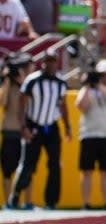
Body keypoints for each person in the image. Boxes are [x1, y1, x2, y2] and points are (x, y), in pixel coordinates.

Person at [6, 52, 70, 210]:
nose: (51, 65)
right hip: (34, 125)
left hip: (51, 127)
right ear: (43, 63)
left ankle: (51, 201)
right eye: (48, 61)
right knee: (28, 164)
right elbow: (22, 105)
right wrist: (23, 127)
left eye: (53, 61)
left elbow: (63, 106)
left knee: (55, 164)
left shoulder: (61, 82)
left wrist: (67, 126)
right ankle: (15, 197)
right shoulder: (32, 80)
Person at [75, 59, 106, 210]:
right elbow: (81, 106)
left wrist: (99, 86)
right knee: (87, 170)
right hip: (89, 133)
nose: (104, 77)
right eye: (101, 74)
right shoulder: (88, 89)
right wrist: (88, 86)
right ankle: (86, 203)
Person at [0, 55, 29, 204]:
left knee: (25, 168)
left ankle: (24, 201)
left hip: (23, 132)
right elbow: (3, 103)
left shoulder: (25, 87)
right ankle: (7, 202)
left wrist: (21, 79)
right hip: (9, 131)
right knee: (7, 170)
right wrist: (5, 80)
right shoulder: (8, 87)